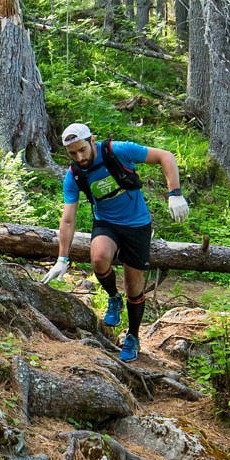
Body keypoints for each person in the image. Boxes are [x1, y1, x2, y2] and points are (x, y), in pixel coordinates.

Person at [41, 123, 189, 362]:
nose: (79, 157)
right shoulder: (74, 175)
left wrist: (175, 193)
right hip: (107, 223)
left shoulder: (118, 151)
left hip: (137, 224)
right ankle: (112, 297)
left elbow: (165, 156)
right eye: (72, 153)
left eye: (82, 150)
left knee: (134, 287)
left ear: (92, 140)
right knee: (98, 259)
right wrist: (62, 258)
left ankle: (132, 335)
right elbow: (68, 219)